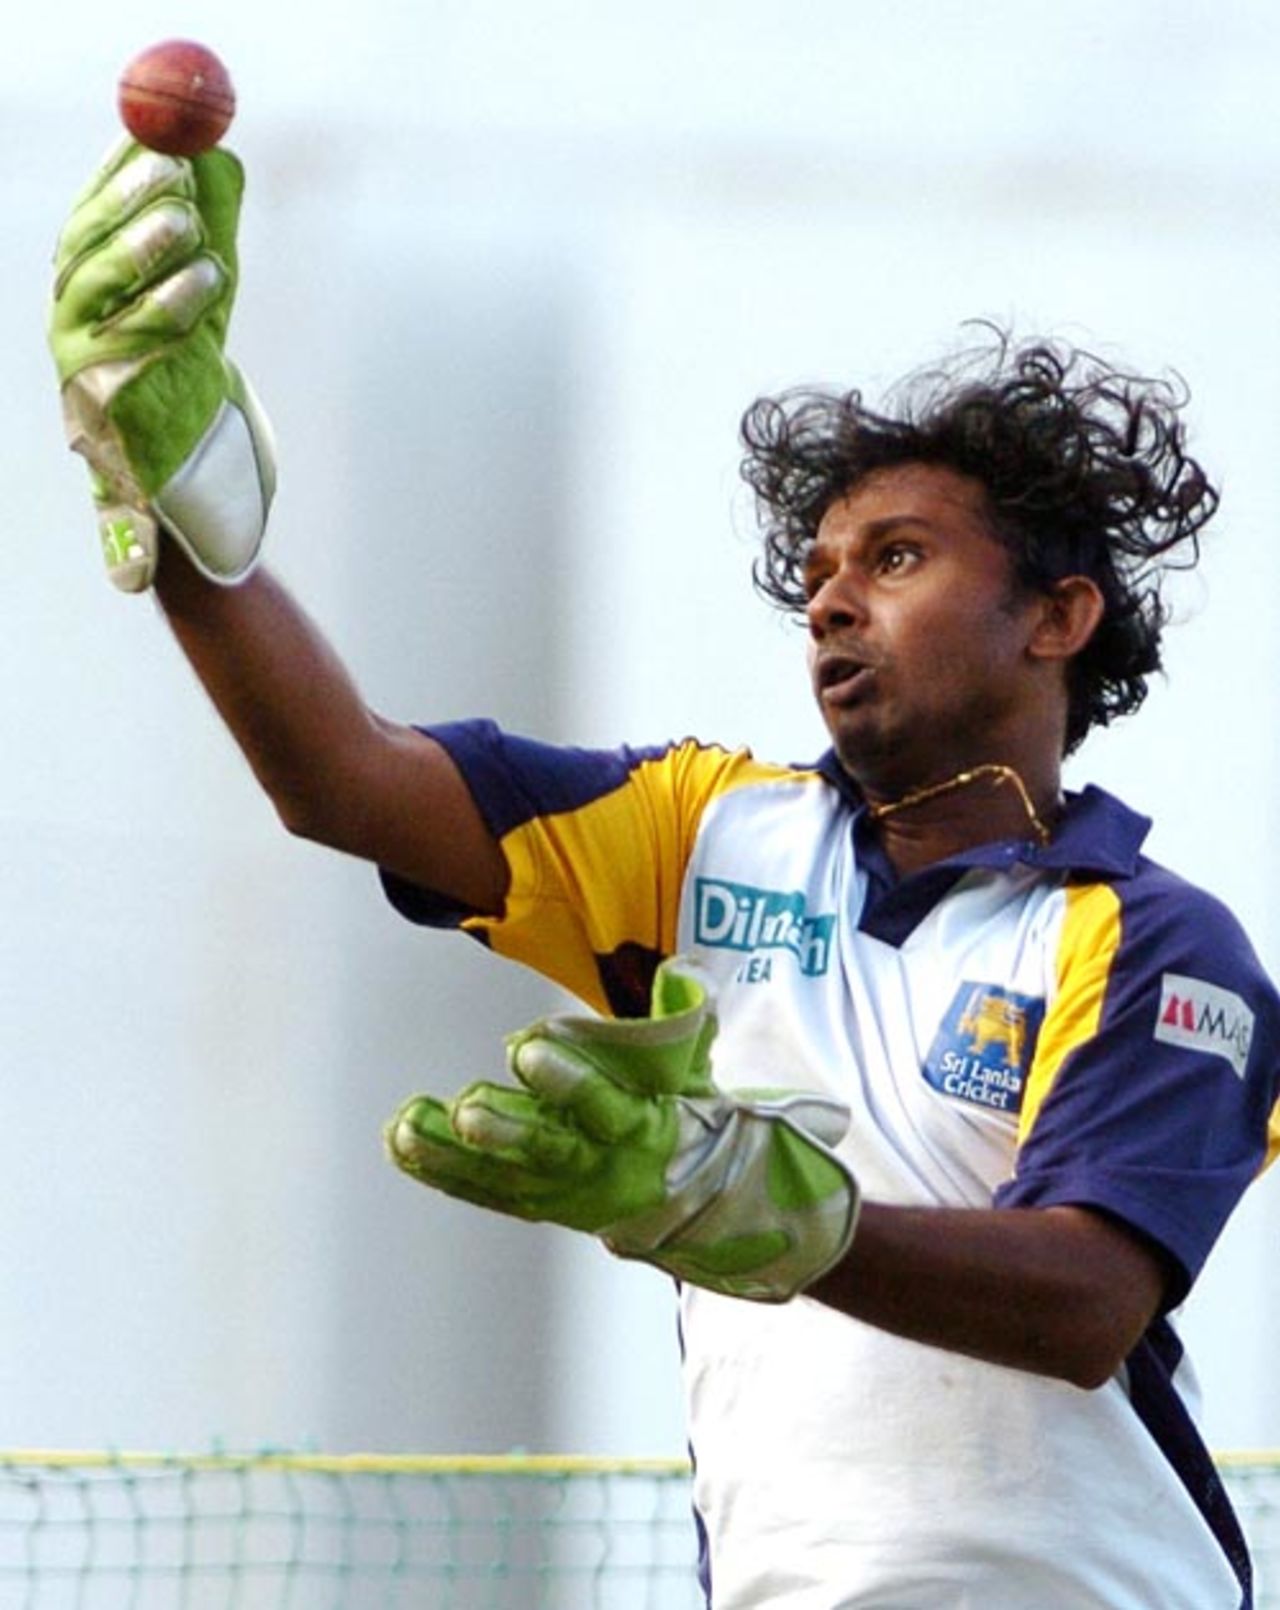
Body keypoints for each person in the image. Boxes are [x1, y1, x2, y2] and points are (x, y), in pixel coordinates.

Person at [48, 141, 1280, 1610]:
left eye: (896, 558)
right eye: (820, 568)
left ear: (1058, 617)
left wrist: (739, 1198)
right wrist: (198, 526)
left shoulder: (1161, 944)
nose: (829, 595)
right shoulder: (700, 833)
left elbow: (1086, 1299)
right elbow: (342, 779)